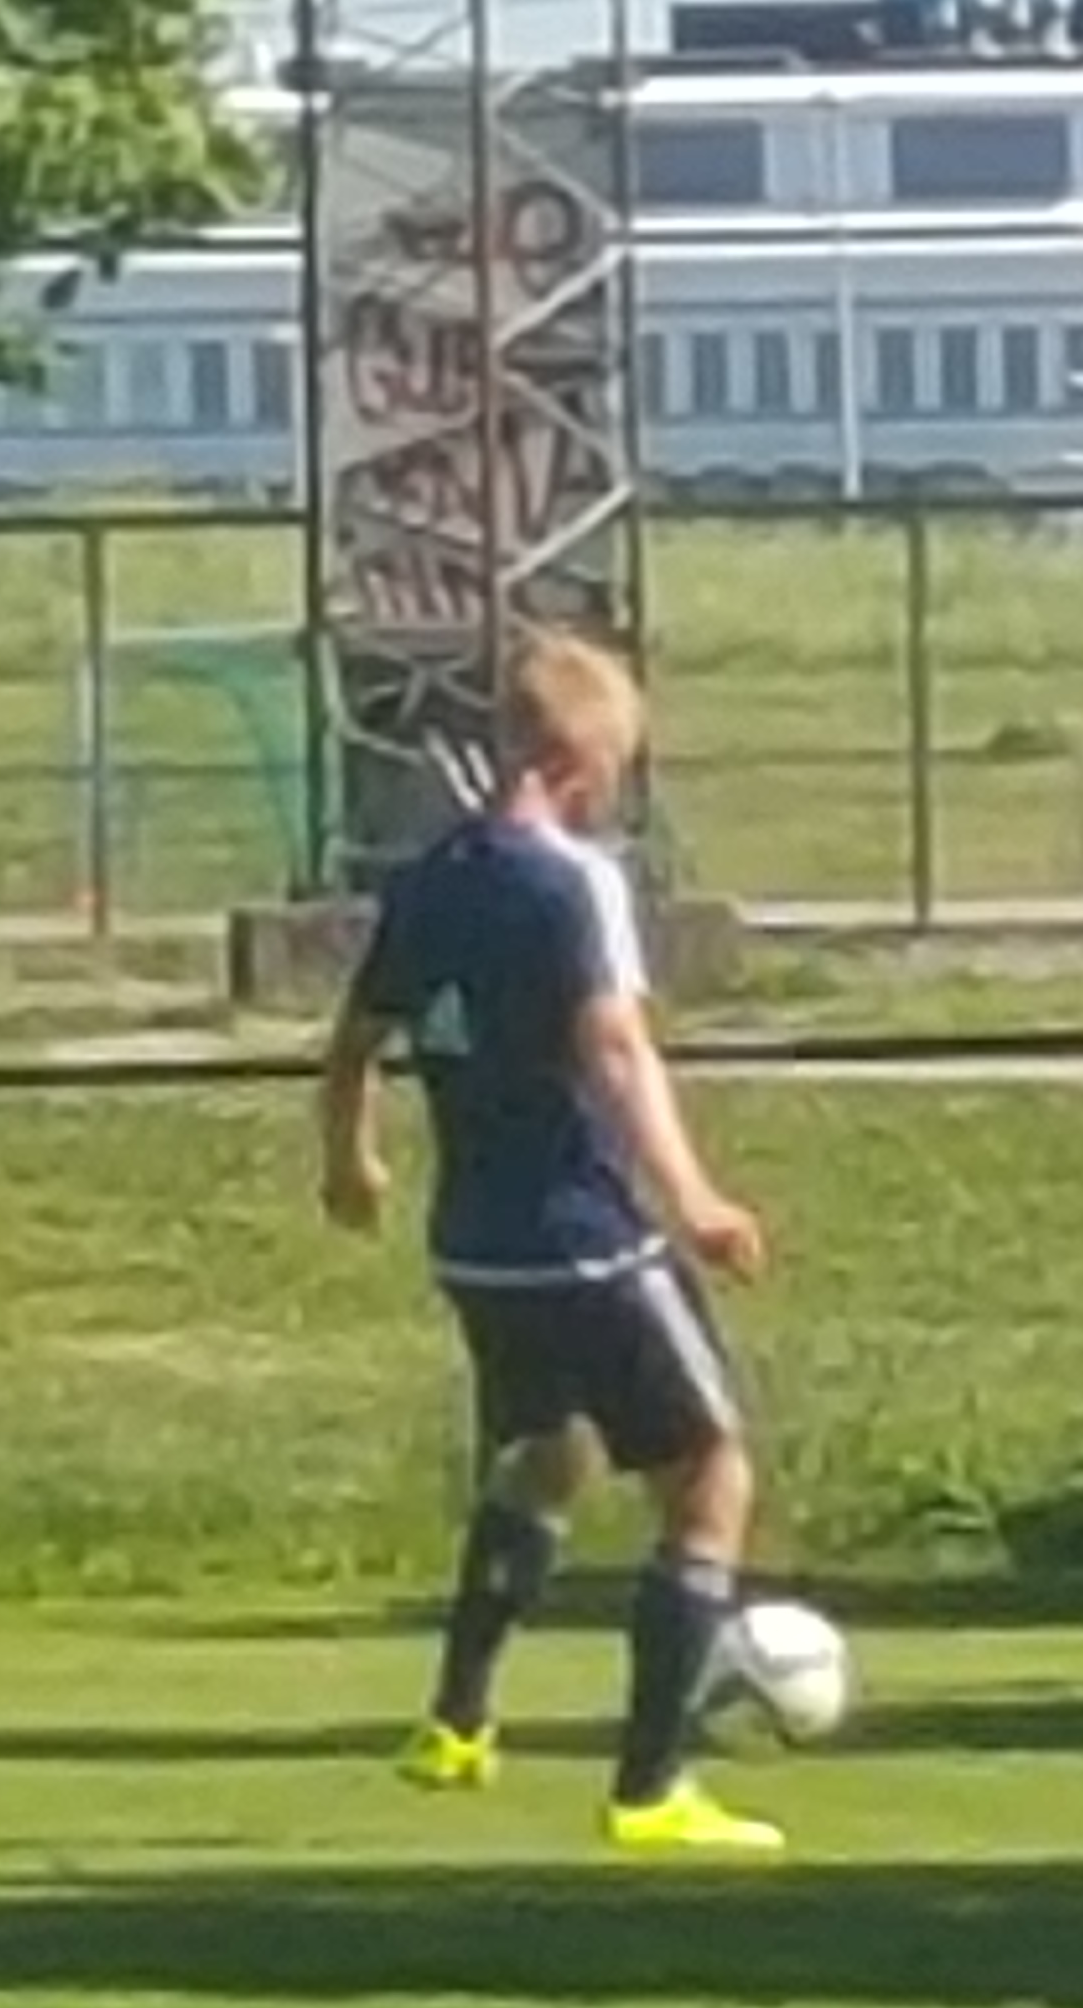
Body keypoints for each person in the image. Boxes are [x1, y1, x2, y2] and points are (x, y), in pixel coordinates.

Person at [313, 627, 789, 1858]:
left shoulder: (431, 877)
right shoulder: (571, 880)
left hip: (473, 1243)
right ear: (583, 764)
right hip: (584, 1234)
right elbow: (616, 1047)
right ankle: (649, 1791)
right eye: (620, 769)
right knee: (711, 1473)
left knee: (547, 1455)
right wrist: (696, 1198)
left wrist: (349, 1157)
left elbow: (357, 1034)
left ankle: (457, 1722)